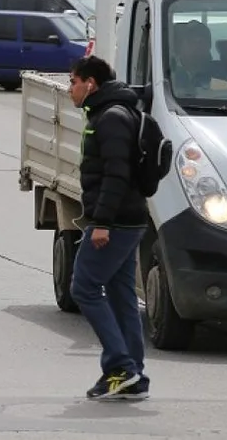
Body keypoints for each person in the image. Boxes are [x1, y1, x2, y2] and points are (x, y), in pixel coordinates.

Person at [67, 54, 150, 401]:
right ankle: (133, 377)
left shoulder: (111, 118)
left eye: (73, 81)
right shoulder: (112, 112)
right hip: (127, 220)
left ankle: (121, 367)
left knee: (84, 288)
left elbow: (117, 175)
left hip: (115, 222)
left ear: (91, 83)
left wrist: (101, 223)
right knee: (121, 296)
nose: (69, 88)